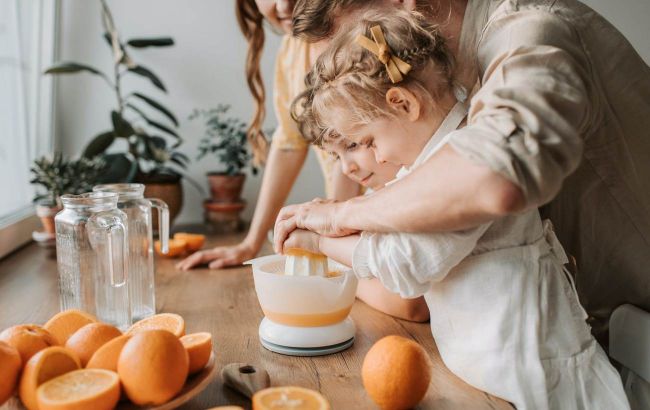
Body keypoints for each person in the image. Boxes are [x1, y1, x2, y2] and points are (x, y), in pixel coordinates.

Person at [285, 11, 629, 408]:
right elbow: (390, 233)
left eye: (368, 141)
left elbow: (404, 265)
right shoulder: (428, 163)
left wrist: (318, 241)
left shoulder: (458, 165)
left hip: (539, 378)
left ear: (402, 103)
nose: (373, 156)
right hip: (492, 376)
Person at [179, 0, 428, 322]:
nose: (283, 4)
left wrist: (331, 235)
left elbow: (411, 302)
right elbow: (289, 142)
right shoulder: (291, 51)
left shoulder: (370, 36)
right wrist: (253, 242)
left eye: (357, 143)